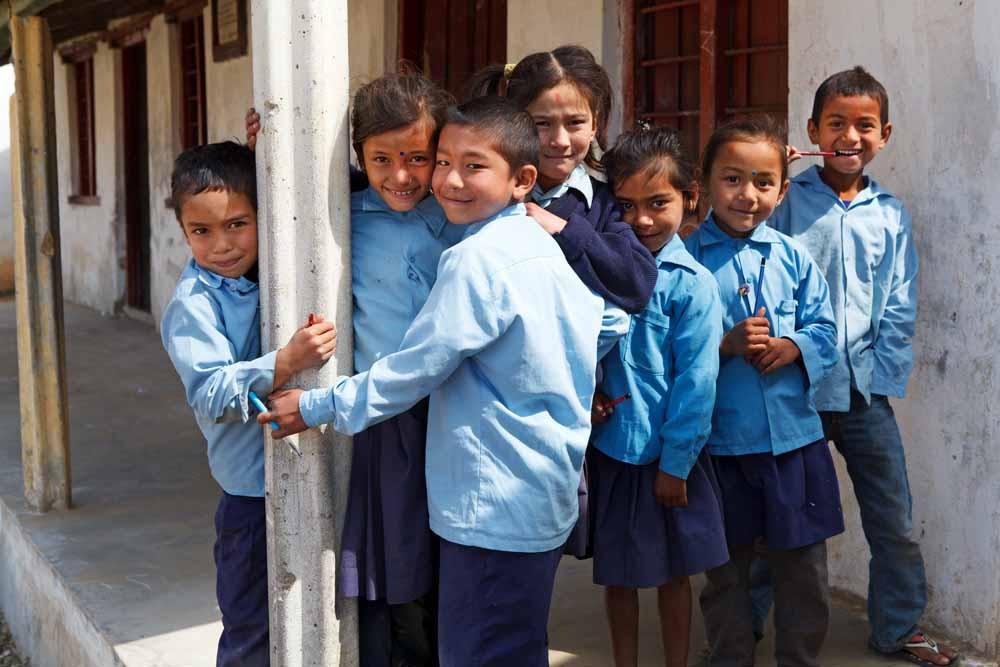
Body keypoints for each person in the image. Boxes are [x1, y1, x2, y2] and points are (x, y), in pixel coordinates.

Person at [259, 96, 628, 666]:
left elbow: (415, 368)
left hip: (490, 505)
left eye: (474, 166)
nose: (450, 180)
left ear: (523, 180)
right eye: (445, 162)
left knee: (475, 652)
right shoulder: (538, 245)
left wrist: (315, 406)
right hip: (542, 489)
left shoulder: (475, 260)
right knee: (516, 644)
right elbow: (610, 319)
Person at [249, 72, 458, 666]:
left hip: (455, 411)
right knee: (399, 565)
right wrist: (265, 145)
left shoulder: (457, 214)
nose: (401, 175)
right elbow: (277, 202)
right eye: (381, 158)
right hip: (386, 415)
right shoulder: (344, 216)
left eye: (419, 157)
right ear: (358, 155)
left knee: (455, 560)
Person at [767, 66, 957, 667]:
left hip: (863, 392)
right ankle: (739, 635)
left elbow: (898, 300)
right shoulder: (787, 200)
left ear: (885, 133)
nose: (850, 135)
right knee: (779, 517)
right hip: (792, 389)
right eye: (836, 123)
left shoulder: (889, 213)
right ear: (811, 129)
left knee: (892, 516)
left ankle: (897, 628)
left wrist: (881, 376)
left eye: (864, 125)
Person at [160, 141, 336, 667]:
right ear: (184, 231)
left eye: (238, 224)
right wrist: (283, 361)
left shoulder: (275, 271)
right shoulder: (194, 304)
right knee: (250, 628)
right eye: (202, 231)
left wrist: (272, 149)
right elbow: (213, 393)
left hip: (315, 469)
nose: (223, 246)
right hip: (247, 496)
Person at [684, 118, 844, 667]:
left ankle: (799, 660)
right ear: (704, 182)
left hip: (793, 445)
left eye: (762, 181)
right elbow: (665, 352)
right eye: (731, 178)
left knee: (803, 577)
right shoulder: (686, 263)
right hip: (721, 446)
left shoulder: (793, 257)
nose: (746, 195)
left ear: (780, 189)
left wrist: (796, 346)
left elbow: (826, 327)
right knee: (726, 576)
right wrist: (722, 346)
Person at [588, 126, 728, 667]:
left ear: (689, 197)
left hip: (670, 457)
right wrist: (592, 396)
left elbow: (698, 381)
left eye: (658, 203)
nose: (641, 220)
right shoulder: (599, 267)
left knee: (674, 573)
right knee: (618, 574)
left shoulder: (691, 284)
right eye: (625, 206)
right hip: (614, 449)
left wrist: (676, 464)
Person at [468, 44, 657, 314]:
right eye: (542, 124)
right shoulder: (487, 194)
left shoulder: (604, 206)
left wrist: (565, 230)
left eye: (575, 123)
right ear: (514, 124)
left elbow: (638, 282)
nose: (559, 141)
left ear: (594, 125)